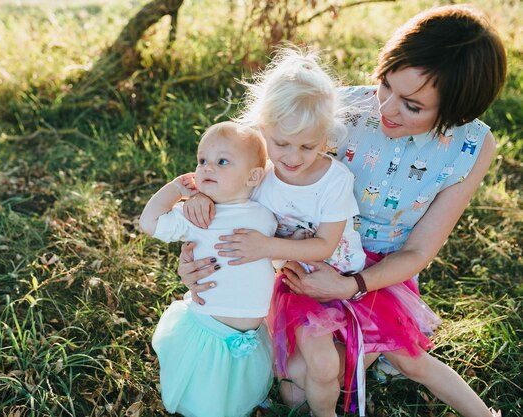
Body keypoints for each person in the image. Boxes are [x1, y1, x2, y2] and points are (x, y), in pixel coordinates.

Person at [177, 4, 507, 417]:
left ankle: (375, 354)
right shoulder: (341, 109)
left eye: (413, 106)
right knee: (297, 393)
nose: (385, 108)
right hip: (298, 259)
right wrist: (204, 199)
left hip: (380, 276)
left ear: (457, 112)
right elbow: (244, 156)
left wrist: (350, 286)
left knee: (346, 375)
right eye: (385, 84)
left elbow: (420, 251)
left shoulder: (471, 146)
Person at [139, 121, 278, 417]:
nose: (207, 168)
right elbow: (148, 223)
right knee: (206, 396)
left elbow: (277, 254)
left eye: (222, 161)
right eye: (202, 161)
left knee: (239, 385)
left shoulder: (266, 213)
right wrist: (176, 189)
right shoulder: (196, 214)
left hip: (251, 330)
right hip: (209, 329)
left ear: (254, 176)